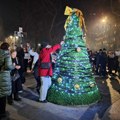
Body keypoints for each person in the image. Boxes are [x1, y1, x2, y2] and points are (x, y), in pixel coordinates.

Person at [0, 42, 14, 119]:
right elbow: (8, 66)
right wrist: (13, 66)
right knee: (2, 96)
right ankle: (2, 113)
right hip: (3, 77)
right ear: (7, 48)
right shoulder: (6, 55)